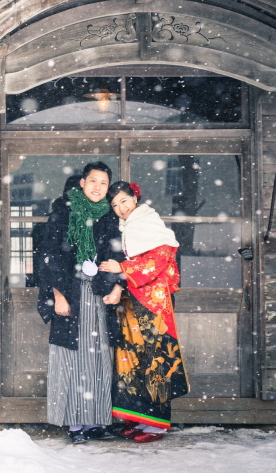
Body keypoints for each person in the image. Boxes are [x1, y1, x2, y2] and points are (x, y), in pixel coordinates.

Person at [37, 162, 126, 444]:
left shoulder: (110, 217)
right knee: (72, 359)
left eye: (103, 183)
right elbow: (47, 256)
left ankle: (97, 421)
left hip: (101, 293)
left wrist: (119, 286)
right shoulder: (63, 214)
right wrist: (57, 295)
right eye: (93, 181)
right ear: (83, 183)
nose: (98, 187)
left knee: (100, 357)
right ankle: (75, 424)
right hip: (71, 294)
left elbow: (121, 255)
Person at [99, 181, 190, 443]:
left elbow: (158, 260)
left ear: (135, 199)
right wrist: (121, 277)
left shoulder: (148, 221)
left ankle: (157, 425)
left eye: (124, 201)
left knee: (155, 358)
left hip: (153, 304)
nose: (120, 208)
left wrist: (123, 268)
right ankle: (137, 419)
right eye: (115, 205)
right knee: (131, 359)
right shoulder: (126, 226)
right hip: (132, 302)